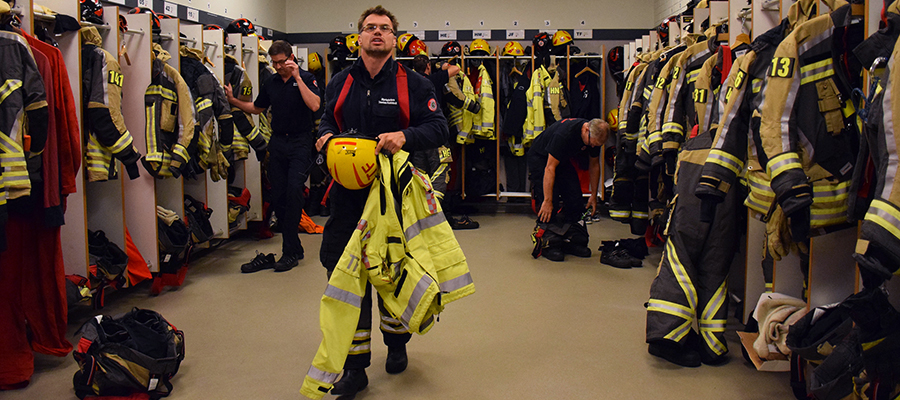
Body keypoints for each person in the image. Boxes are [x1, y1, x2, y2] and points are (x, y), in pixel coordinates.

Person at [314, 6, 449, 397]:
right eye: (369, 28)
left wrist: (405, 136)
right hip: (347, 198)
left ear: (394, 39)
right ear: (359, 37)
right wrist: (324, 137)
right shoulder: (339, 81)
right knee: (346, 277)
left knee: (391, 271)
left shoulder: (416, 84)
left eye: (384, 29)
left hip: (395, 200)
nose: (377, 33)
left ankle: (396, 341)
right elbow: (327, 121)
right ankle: (355, 367)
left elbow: (439, 128)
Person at [225, 40, 321, 273]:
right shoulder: (272, 82)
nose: (278, 67)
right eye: (274, 63)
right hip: (278, 142)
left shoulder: (307, 79)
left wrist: (298, 78)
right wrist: (233, 101)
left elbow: (316, 105)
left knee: (293, 192)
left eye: (281, 62)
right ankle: (294, 248)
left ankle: (290, 252)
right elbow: (257, 108)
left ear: (291, 58)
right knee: (278, 196)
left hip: (300, 141)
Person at [410, 55, 480, 230]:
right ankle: (439, 218)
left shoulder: (409, 83)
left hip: (417, 139)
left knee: (420, 177)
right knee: (441, 174)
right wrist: (442, 67)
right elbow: (455, 70)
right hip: (437, 139)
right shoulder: (432, 80)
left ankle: (421, 216)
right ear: (427, 66)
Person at [528, 118, 608, 259]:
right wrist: (547, 201)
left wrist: (594, 195)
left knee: (574, 196)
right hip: (541, 158)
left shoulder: (595, 137)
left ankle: (571, 236)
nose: (593, 147)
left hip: (562, 159)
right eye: (591, 143)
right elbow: (549, 168)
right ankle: (548, 240)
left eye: (597, 145)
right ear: (586, 130)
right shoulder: (564, 135)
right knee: (550, 200)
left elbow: (594, 165)